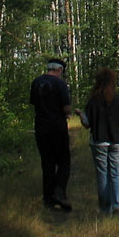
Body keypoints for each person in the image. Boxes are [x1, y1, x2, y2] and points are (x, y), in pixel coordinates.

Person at [30, 57, 81, 211]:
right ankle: (59, 192)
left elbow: (34, 104)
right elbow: (66, 109)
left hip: (41, 127)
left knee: (47, 162)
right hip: (57, 127)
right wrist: (67, 112)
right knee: (64, 161)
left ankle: (48, 199)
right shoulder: (60, 84)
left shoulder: (36, 82)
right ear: (59, 70)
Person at [81, 67, 119, 214]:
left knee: (103, 174)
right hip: (118, 141)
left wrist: (80, 115)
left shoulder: (93, 102)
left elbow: (86, 123)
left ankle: (106, 208)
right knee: (117, 172)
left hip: (98, 142)